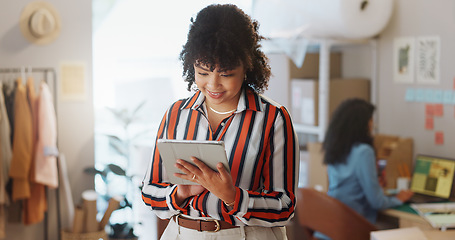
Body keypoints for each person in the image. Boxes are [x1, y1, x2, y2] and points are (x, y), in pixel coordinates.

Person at [141, 4, 299, 240]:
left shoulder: (273, 118)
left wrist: (233, 196)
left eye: (226, 74)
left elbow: (285, 206)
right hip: (183, 234)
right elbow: (150, 191)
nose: (213, 85)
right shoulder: (176, 113)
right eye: (203, 72)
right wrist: (181, 192)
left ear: (246, 66)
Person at [316, 98, 413, 239]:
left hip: (329, 227)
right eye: (371, 120)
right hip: (350, 228)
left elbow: (347, 187)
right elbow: (377, 202)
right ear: (362, 123)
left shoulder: (336, 148)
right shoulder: (364, 151)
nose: (373, 124)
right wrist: (398, 199)